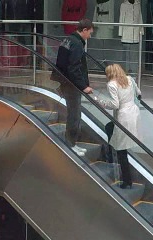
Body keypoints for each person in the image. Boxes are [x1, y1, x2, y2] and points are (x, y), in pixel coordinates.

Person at [95, 64, 142, 189]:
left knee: (122, 150)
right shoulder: (129, 79)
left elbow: (115, 104)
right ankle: (111, 152)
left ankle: (127, 180)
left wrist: (101, 102)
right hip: (133, 114)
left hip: (123, 116)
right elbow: (139, 93)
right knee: (110, 127)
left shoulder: (112, 84)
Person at [55, 19, 94, 157]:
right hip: (71, 85)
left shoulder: (68, 40)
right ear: (84, 30)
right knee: (74, 115)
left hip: (65, 82)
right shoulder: (77, 44)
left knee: (74, 114)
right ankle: (70, 144)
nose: (90, 36)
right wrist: (84, 86)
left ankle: (72, 143)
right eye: (89, 33)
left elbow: (62, 63)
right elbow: (74, 68)